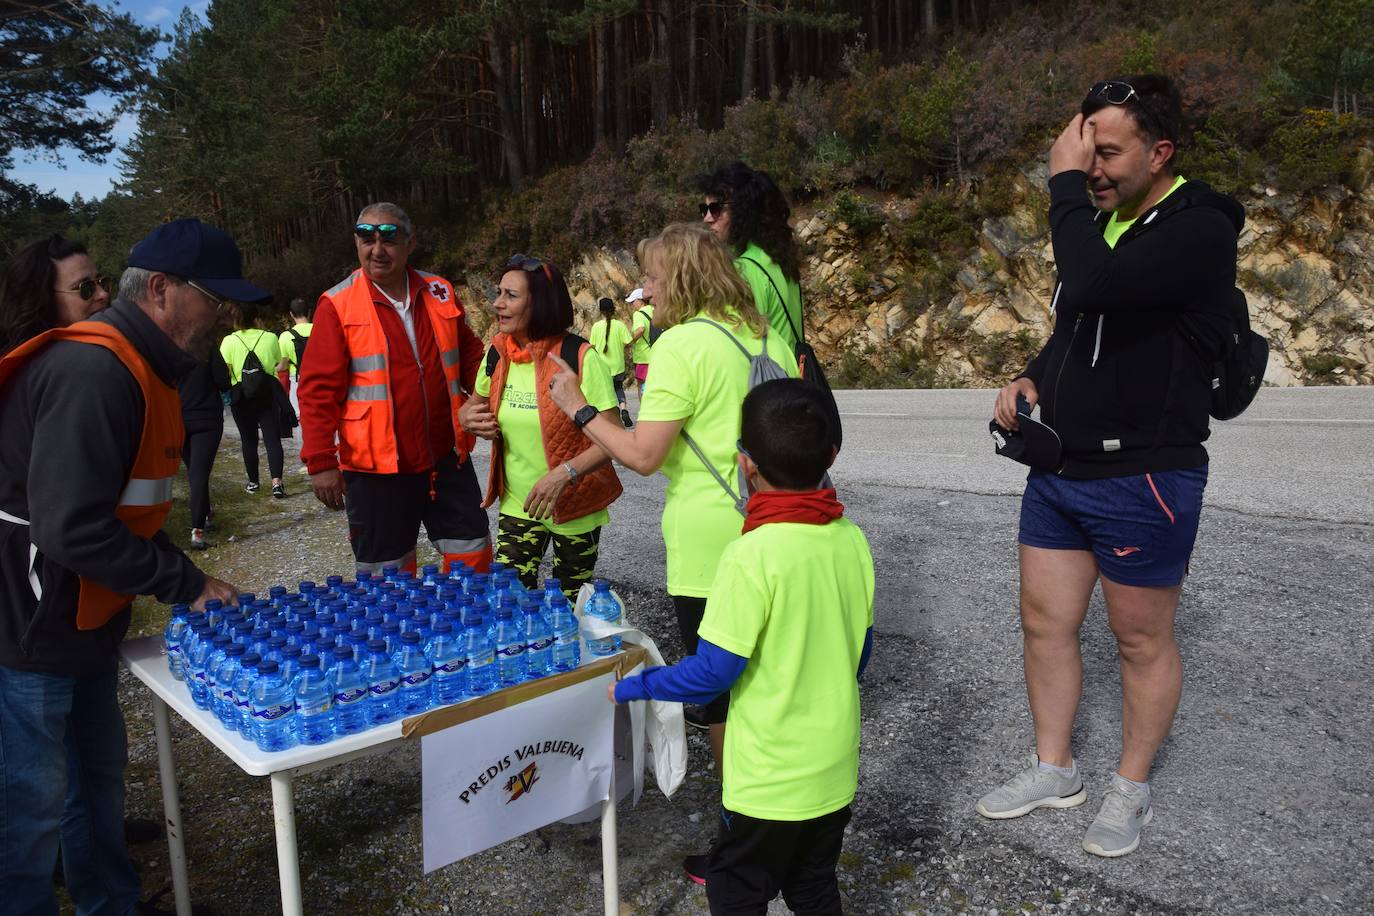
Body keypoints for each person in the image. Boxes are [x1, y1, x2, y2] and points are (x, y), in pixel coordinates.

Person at [978, 75, 1244, 858]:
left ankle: (1130, 789)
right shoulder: (1105, 226)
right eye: (1082, 150)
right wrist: (1030, 371)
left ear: (1161, 152)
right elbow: (1078, 320)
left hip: (1145, 475)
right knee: (1044, 624)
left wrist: (1061, 183)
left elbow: (1098, 284)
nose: (1091, 167)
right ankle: (1054, 769)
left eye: (1107, 151)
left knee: (1140, 640)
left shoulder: (1198, 226)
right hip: (1061, 470)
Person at [0, 217, 248, 914]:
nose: (225, 312)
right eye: (214, 295)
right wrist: (185, 582)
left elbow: (124, 514)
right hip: (34, 630)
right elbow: (71, 527)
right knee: (29, 810)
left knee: (94, 782)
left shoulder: (144, 369)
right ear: (162, 290)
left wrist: (185, 578)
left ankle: (110, 902)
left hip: (82, 623)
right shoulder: (95, 372)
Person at [611, 379, 873, 913]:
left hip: (768, 780)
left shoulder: (750, 555)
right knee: (813, 885)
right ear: (831, 455)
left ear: (746, 463)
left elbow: (713, 673)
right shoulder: (851, 538)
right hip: (833, 768)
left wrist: (636, 686)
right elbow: (859, 653)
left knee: (737, 888)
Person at [546, 221, 799, 771]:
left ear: (681, 280)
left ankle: (741, 820)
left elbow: (642, 455)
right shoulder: (764, 335)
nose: (646, 290)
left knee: (719, 691)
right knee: (770, 682)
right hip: (777, 523)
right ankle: (780, 807)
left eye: (653, 278)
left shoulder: (681, 345)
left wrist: (578, 407)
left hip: (713, 543)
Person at [298, 202, 491, 576]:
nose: (377, 249)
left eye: (388, 238)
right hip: (375, 471)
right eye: (365, 238)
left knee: (473, 558)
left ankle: (469, 632)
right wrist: (321, 462)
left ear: (409, 242)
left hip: (446, 457)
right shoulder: (336, 304)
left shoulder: (439, 291)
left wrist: (495, 393)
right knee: (386, 579)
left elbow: (471, 357)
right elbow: (317, 390)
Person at [459, 256, 622, 594]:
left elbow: (614, 439)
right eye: (498, 293)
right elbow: (470, 407)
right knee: (510, 600)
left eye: (511, 296)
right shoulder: (498, 354)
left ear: (541, 303)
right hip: (519, 504)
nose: (497, 303)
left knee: (571, 606)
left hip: (576, 505)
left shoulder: (579, 357)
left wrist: (566, 474)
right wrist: (467, 418)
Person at [698, 161, 804, 352]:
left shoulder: (747, 269)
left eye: (715, 209)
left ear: (742, 210)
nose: (707, 218)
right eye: (704, 209)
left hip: (769, 380)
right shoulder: (777, 258)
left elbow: (743, 347)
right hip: (791, 374)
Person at [0, 234, 111, 356]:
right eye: (85, 287)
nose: (103, 294)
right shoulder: (40, 368)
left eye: (102, 282)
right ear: (44, 300)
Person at [220, 307, 287, 498]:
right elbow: (277, 364)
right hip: (266, 393)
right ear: (257, 318)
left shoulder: (229, 341)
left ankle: (253, 482)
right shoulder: (270, 338)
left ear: (236, 320)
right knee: (272, 439)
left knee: (248, 440)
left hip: (241, 395)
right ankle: (277, 483)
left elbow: (227, 370)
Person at [178, 344, 231, 549]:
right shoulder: (207, 348)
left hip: (178, 417)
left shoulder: (167, 347)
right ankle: (197, 532)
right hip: (207, 417)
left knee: (194, 470)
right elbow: (223, 382)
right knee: (199, 473)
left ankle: (206, 512)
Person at [587, 295, 633, 427]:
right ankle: (623, 409)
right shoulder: (620, 325)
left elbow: (592, 346)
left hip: (603, 367)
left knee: (606, 392)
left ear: (600, 311)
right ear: (613, 309)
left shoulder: (596, 327)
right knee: (618, 387)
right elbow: (629, 341)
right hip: (618, 365)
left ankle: (610, 418)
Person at [276, 296, 312, 412]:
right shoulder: (321, 330)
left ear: (291, 314)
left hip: (298, 382)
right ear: (309, 312)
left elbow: (283, 366)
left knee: (301, 418)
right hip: (321, 380)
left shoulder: (285, 336)